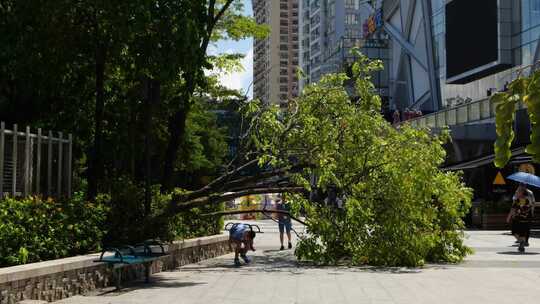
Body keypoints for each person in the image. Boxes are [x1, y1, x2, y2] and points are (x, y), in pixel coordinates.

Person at [507, 184, 534, 252]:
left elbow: (513, 209)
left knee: (514, 231)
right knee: (523, 232)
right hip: (527, 219)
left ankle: (521, 242)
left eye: (518, 191)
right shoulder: (528, 199)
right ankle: (522, 244)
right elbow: (531, 206)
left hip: (518, 219)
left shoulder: (518, 200)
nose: (516, 193)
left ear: (521, 192)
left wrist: (508, 217)